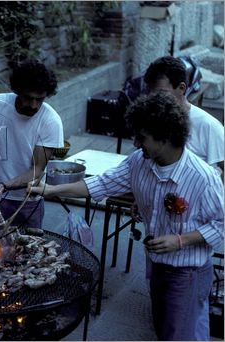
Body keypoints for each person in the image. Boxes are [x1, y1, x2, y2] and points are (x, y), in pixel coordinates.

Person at [29, 92, 223, 340]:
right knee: (169, 330)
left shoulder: (202, 177)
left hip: (188, 272)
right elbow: (100, 185)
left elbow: (221, 225)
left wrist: (180, 240)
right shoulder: (139, 162)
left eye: (142, 137)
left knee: (181, 334)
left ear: (164, 136)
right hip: (156, 265)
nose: (136, 143)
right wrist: (51, 189)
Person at [0, 59, 64, 234]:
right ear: (17, 91)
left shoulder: (51, 121)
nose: (34, 105)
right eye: (28, 98)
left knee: (26, 255)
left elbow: (36, 170)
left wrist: (5, 185)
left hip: (27, 202)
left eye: (40, 99)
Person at [144, 55, 224, 174]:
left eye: (161, 93)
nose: (155, 99)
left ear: (181, 88)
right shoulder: (151, 119)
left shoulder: (209, 126)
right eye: (150, 93)